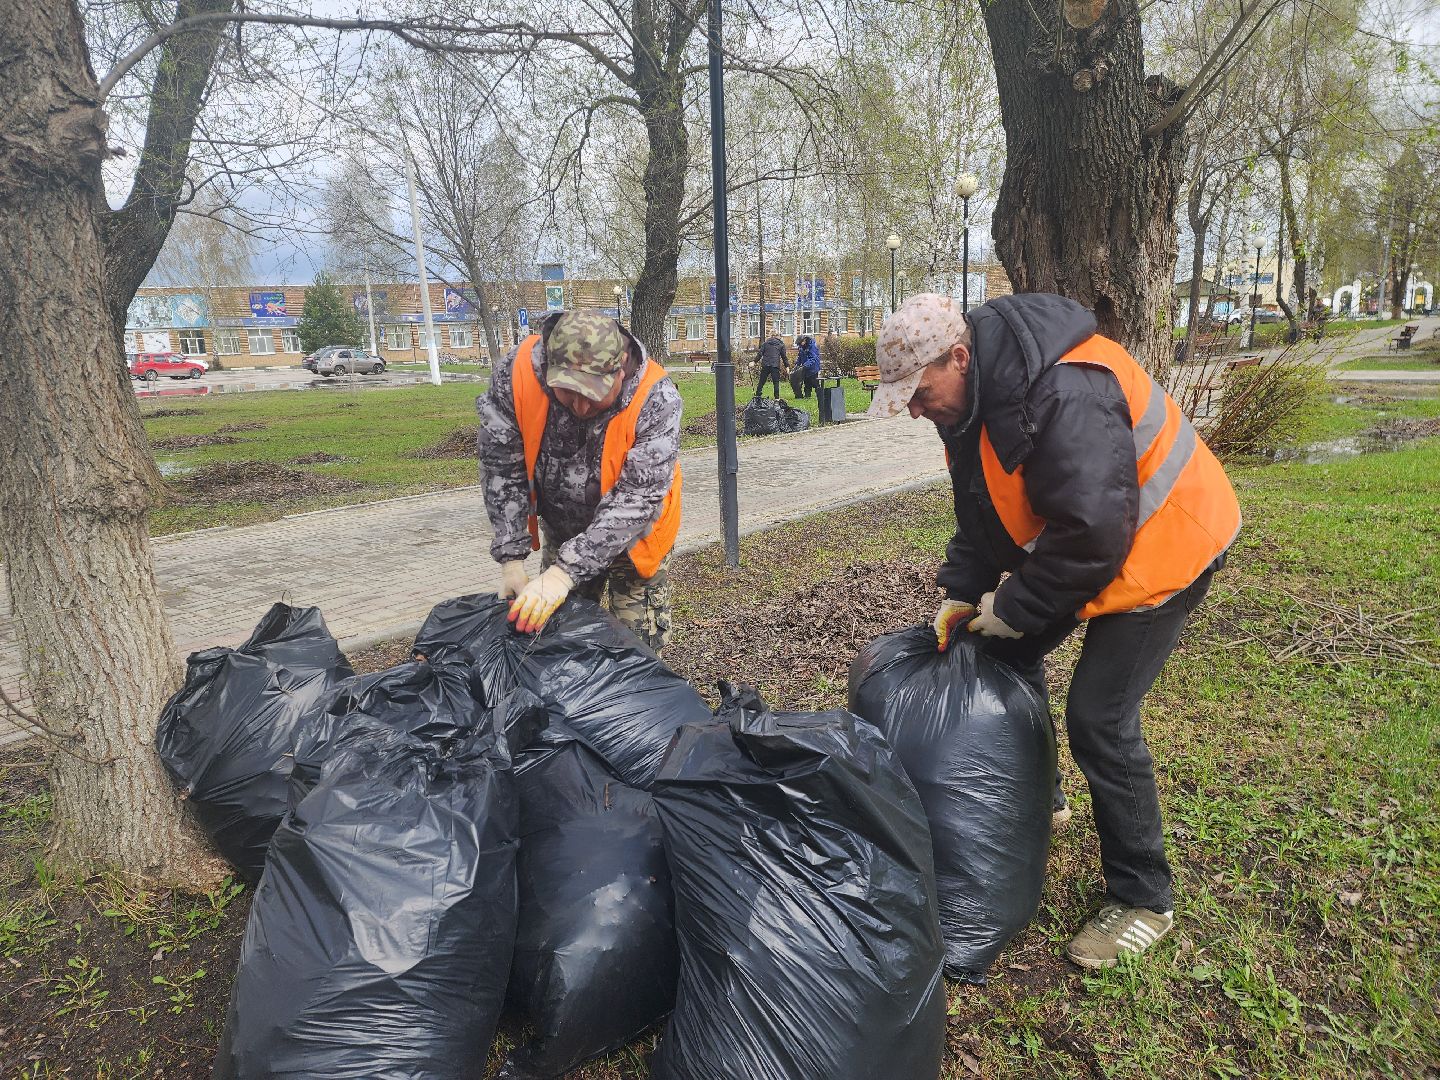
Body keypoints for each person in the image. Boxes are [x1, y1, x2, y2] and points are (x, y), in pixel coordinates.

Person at [867, 293, 1241, 971]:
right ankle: (1040, 797)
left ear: (958, 357)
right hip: (1095, 541)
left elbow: (1095, 535)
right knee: (995, 648)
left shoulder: (1065, 391)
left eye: (919, 394)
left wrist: (1015, 602)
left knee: (1100, 718)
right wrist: (964, 595)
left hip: (1167, 543)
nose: (915, 410)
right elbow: (983, 511)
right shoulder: (970, 399)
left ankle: (1144, 899)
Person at [476, 309, 682, 651]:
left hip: (635, 541)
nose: (581, 406)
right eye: (568, 392)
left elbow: (637, 499)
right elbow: (502, 466)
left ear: (621, 368)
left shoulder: (656, 398)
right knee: (556, 643)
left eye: (593, 393)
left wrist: (562, 574)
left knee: (635, 653)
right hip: (563, 531)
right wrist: (512, 560)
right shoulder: (518, 375)